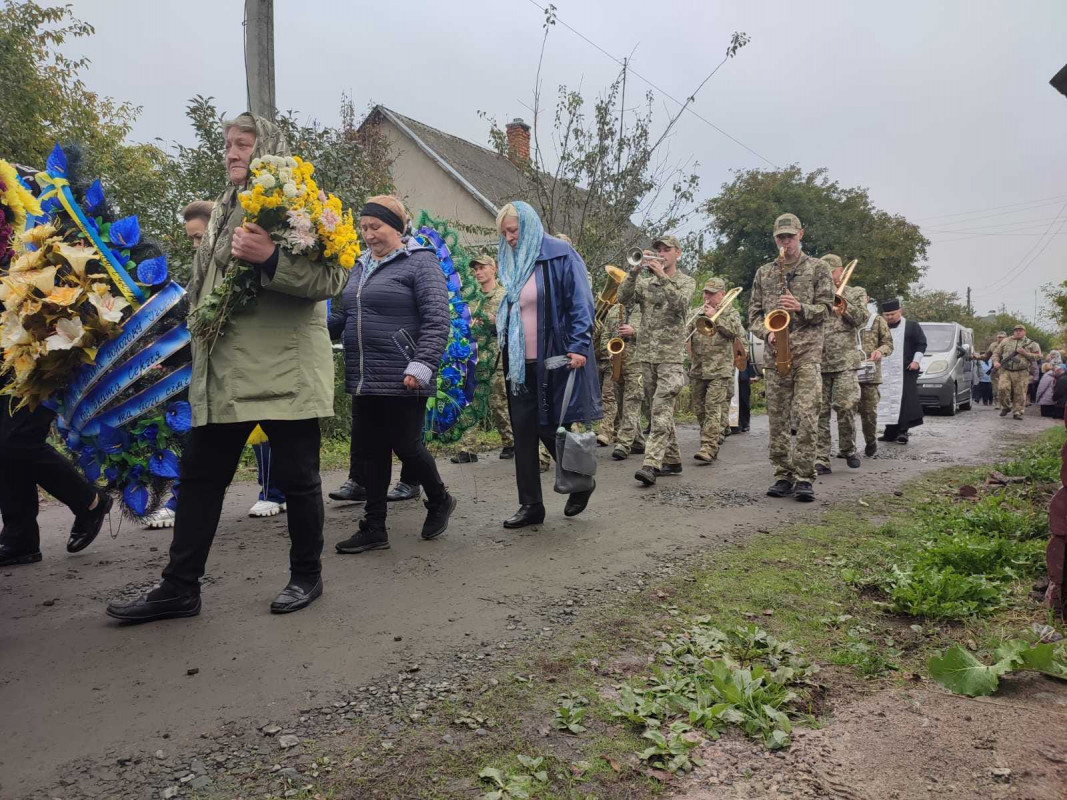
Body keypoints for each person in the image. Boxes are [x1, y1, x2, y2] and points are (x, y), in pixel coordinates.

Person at [106, 113, 347, 622]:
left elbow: (332, 280)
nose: (233, 152)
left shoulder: (300, 201)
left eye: (244, 144)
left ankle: (307, 576)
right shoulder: (222, 209)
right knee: (200, 477)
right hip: (222, 371)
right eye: (229, 145)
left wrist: (269, 258)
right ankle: (180, 588)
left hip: (285, 370)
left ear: (268, 149)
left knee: (298, 478)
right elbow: (204, 288)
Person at [142, 202, 287, 529]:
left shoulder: (244, 265)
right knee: (199, 439)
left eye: (199, 237)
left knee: (266, 431)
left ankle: (274, 492)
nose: (195, 245)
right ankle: (181, 501)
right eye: (191, 239)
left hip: (252, 366)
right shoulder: (200, 270)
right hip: (208, 369)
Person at [329, 196, 456, 554]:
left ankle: (439, 499)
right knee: (371, 452)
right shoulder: (359, 266)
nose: (368, 235)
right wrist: (310, 332)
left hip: (405, 373)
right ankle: (374, 527)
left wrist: (421, 364)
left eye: (376, 227)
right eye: (364, 228)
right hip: (364, 375)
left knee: (408, 446)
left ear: (397, 228)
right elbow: (344, 317)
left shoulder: (420, 262)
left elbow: (437, 319)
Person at [494, 201, 601, 528]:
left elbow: (581, 301)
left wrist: (579, 344)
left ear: (529, 225)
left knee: (549, 424)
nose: (509, 238)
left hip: (556, 356)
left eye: (514, 230)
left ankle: (580, 480)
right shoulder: (512, 261)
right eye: (504, 233)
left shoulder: (559, 254)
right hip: (518, 362)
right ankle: (531, 506)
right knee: (523, 431)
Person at [748, 214, 834, 501]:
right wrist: (766, 333)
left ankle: (805, 476)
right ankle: (782, 474)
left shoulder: (819, 268)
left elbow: (828, 310)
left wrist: (800, 307)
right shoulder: (764, 272)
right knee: (778, 419)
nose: (786, 242)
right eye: (780, 238)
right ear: (775, 239)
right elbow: (753, 315)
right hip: (776, 355)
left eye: (790, 236)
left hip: (808, 353)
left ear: (801, 234)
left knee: (808, 416)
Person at [450, 254, 551, 471]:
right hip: (475, 359)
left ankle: (510, 441)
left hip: (498, 358)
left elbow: (517, 325)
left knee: (500, 403)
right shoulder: (472, 298)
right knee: (472, 402)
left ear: (493, 269)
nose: (478, 272)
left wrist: (498, 321)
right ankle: (467, 448)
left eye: (482, 268)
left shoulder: (505, 295)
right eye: (475, 269)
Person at [0, 385, 112, 566]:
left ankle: (89, 502)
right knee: (7, 441)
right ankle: (19, 536)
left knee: (18, 439)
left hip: (40, 362)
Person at [618, 235, 695, 486]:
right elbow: (622, 296)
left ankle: (651, 464)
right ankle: (672, 461)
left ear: (678, 253)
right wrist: (634, 272)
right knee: (655, 411)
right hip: (647, 356)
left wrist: (663, 276)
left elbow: (682, 305)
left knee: (661, 409)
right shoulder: (645, 283)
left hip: (671, 358)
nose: (660, 253)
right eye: (657, 249)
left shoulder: (686, 281)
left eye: (666, 249)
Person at [814, 255, 869, 473]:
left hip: (845, 361)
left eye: (831, 272)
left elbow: (862, 319)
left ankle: (847, 447)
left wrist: (844, 307)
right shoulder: (816, 293)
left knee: (845, 406)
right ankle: (821, 457)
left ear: (840, 272)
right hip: (819, 360)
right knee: (820, 412)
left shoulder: (855, 292)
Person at [687, 277, 744, 463]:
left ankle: (708, 447)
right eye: (705, 293)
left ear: (721, 294)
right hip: (698, 369)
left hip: (719, 370)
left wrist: (716, 318)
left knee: (713, 408)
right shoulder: (697, 312)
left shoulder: (730, 313)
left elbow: (736, 332)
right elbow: (685, 332)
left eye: (711, 293)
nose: (706, 296)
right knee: (699, 410)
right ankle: (711, 438)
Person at [877, 298, 927, 444]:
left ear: (900, 311)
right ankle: (890, 431)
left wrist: (916, 361)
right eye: (887, 315)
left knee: (905, 401)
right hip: (885, 370)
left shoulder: (912, 326)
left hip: (906, 369)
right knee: (886, 399)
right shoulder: (880, 327)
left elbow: (921, 343)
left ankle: (903, 432)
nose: (890, 317)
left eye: (892, 314)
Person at [857, 298, 893, 457]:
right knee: (845, 410)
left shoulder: (877, 320)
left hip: (869, 374)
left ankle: (870, 440)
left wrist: (880, 351)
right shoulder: (840, 320)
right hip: (845, 371)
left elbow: (888, 344)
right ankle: (847, 447)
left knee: (868, 411)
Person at [993, 324, 1042, 420]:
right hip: (1005, 370)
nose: (1018, 332)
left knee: (1020, 393)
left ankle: (1017, 412)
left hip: (1022, 371)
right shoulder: (1005, 341)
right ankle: (1006, 407)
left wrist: (1025, 353)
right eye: (1016, 330)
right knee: (1002, 388)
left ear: (1025, 332)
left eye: (1020, 330)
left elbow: (1039, 356)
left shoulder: (1031, 343)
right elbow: (996, 353)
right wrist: (995, 362)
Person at [736, 331, 759, 433]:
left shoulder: (744, 336)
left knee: (743, 399)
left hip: (743, 372)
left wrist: (752, 375)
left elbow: (750, 356)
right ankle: (733, 424)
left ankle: (745, 423)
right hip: (728, 372)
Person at [990, 331, 1007, 410]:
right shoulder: (993, 345)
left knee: (1005, 388)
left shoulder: (1010, 345)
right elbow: (988, 354)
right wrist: (978, 357)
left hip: (1006, 369)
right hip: (996, 369)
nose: (1000, 338)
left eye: (1002, 337)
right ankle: (997, 403)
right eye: (999, 337)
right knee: (995, 388)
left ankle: (1005, 403)